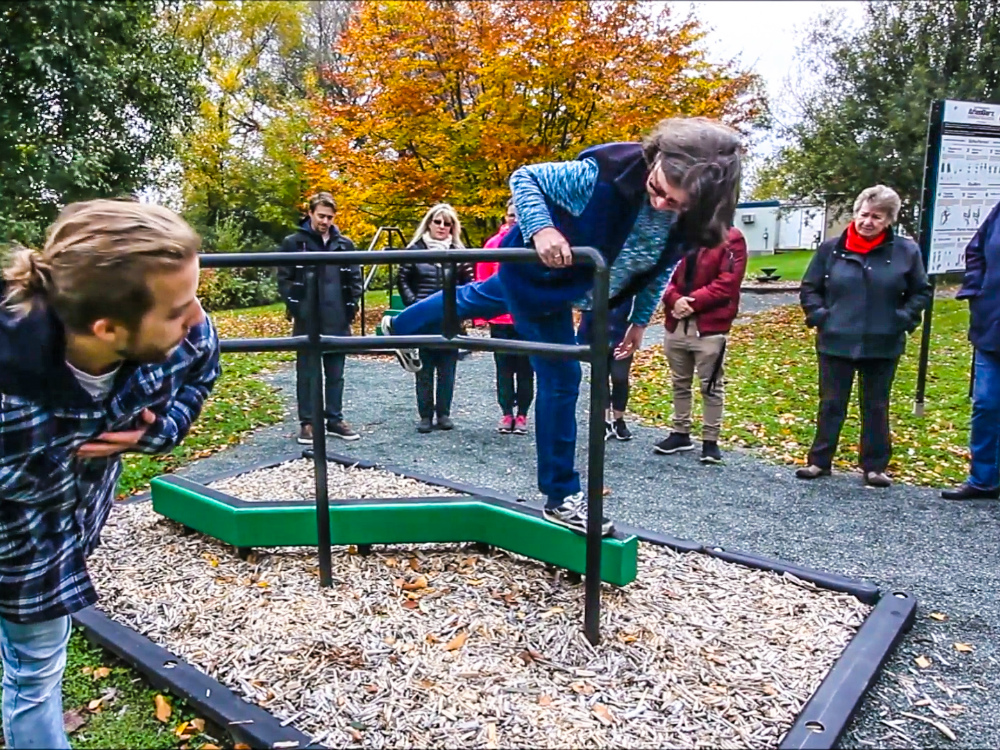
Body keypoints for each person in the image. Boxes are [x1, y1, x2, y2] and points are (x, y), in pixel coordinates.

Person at [380, 117, 743, 535]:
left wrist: (640, 319)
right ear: (657, 157)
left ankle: (400, 325)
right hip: (539, 275)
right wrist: (542, 229)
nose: (661, 204)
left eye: (675, 203)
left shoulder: (694, 220)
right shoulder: (604, 174)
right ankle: (561, 496)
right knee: (562, 377)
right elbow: (526, 178)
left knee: (474, 297)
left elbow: (660, 266)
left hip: (572, 284)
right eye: (658, 189)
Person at [0, 199, 220, 749]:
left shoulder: (180, 339)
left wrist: (163, 428)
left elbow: (203, 368)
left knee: (34, 670)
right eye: (178, 310)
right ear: (107, 328)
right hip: (15, 534)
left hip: (47, 547)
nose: (196, 319)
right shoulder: (11, 396)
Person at [797, 185, 931, 487]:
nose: (868, 221)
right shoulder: (831, 249)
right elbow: (810, 287)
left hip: (882, 341)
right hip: (836, 339)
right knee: (831, 403)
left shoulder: (906, 251)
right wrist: (820, 316)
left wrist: (902, 319)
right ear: (856, 213)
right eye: (864, 214)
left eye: (877, 217)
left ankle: (874, 466)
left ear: (889, 220)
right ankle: (819, 461)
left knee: (876, 405)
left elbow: (921, 291)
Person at [654, 226, 748, 463]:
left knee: (711, 385)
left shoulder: (731, 238)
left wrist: (691, 303)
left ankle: (710, 440)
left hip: (709, 326)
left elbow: (727, 283)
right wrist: (674, 299)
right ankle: (680, 433)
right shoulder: (678, 235)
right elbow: (662, 272)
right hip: (676, 324)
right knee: (680, 382)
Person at [277, 192, 363, 444]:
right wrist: (298, 307)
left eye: (329, 217)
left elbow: (355, 277)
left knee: (336, 373)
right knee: (307, 373)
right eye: (321, 216)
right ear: (310, 213)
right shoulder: (294, 243)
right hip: (308, 317)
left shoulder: (344, 244)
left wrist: (351, 305)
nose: (325, 221)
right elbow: (284, 279)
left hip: (337, 314)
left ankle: (334, 419)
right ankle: (308, 422)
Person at [397, 204, 474, 433]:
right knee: (424, 370)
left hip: (450, 319)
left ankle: (443, 413)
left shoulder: (459, 252)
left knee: (447, 371)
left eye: (447, 223)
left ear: (452, 227)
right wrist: (415, 305)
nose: (441, 226)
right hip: (423, 320)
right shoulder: (415, 250)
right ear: (429, 223)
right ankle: (425, 415)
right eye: (437, 221)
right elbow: (402, 279)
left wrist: (461, 310)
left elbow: (469, 284)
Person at [942, 200, 1000, 500]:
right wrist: (977, 290)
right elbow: (975, 250)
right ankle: (983, 479)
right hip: (992, 327)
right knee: (986, 405)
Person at [475, 200, 535, 434]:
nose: (515, 219)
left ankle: (522, 414)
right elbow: (482, 279)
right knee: (504, 369)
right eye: (511, 215)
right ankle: (506, 412)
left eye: (519, 215)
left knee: (526, 369)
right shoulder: (493, 245)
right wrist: (481, 315)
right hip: (500, 320)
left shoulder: (534, 242)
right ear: (505, 217)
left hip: (526, 319)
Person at [577, 296, 638, 441]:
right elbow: (585, 309)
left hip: (622, 334)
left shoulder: (628, 288)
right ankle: (604, 421)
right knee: (600, 378)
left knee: (620, 377)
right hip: (596, 335)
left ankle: (619, 420)